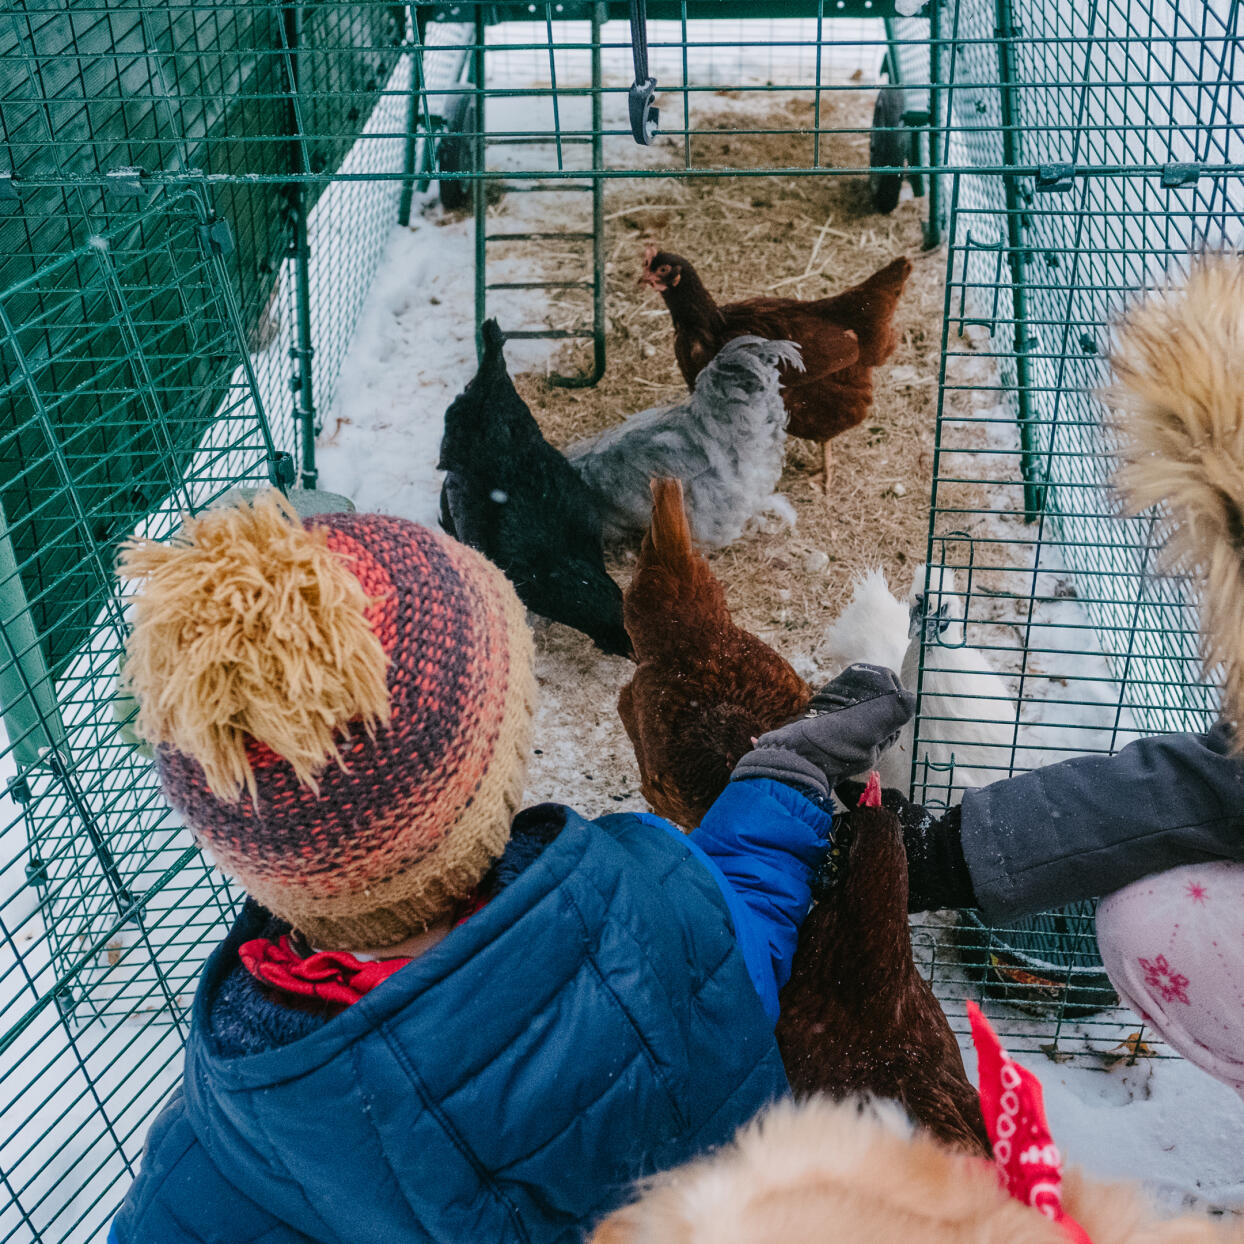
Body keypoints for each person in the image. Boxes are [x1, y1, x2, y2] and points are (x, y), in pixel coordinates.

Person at [107, 491, 915, 1244]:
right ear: (496, 765)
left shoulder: (213, 1152)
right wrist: (786, 776)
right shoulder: (647, 917)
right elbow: (738, 918)